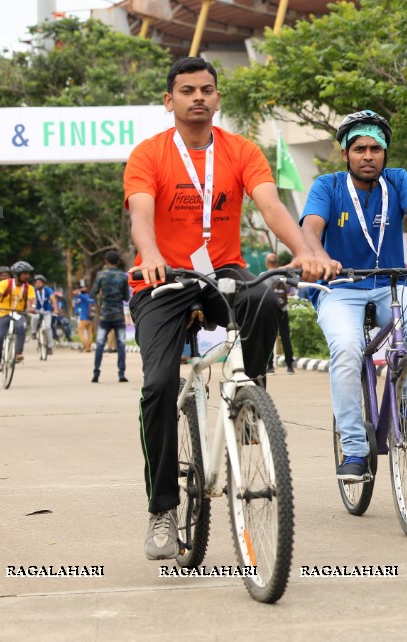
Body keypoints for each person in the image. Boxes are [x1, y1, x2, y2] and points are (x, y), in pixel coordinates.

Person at [124, 56, 333, 560]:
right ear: (169, 100)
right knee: (157, 386)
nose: (199, 97)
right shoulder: (148, 155)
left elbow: (272, 207)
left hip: (223, 272)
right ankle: (162, 509)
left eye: (208, 90)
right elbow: (141, 215)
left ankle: (249, 395)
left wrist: (305, 252)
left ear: (218, 98)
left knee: (264, 297)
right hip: (164, 279)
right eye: (187, 90)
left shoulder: (241, 151)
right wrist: (151, 256)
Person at [298, 109, 407, 481]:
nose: (368, 155)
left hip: (392, 286)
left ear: (385, 154)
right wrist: (319, 256)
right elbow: (311, 228)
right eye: (359, 148)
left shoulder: (398, 181)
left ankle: (405, 406)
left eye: (375, 148)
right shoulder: (327, 186)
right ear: (345, 154)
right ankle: (354, 449)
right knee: (346, 349)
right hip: (340, 288)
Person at [90, 250, 130, 383]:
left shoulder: (101, 276)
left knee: (100, 344)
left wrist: (101, 299)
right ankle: (121, 374)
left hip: (105, 315)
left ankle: (96, 373)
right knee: (121, 344)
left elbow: (93, 293)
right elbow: (126, 297)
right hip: (118, 315)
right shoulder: (123, 277)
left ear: (106, 261)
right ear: (118, 262)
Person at [0, 261, 36, 373]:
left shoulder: (28, 287)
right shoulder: (5, 283)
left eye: (28, 273)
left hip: (18, 313)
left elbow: (32, 299)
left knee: (22, 326)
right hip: (2, 313)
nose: (28, 276)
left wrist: (32, 307)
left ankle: (18, 353)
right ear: (18, 274)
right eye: (25, 273)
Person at [264, 252, 295, 374]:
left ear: (267, 263)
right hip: (283, 310)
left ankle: (270, 366)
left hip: (269, 310)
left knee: (269, 337)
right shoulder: (283, 276)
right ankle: (289, 366)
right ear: (277, 263)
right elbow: (290, 289)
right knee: (285, 337)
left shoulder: (263, 275)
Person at [30, 274, 59, 357]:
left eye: (40, 282)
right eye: (36, 282)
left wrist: (56, 309)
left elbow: (53, 299)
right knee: (35, 317)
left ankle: (49, 346)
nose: (38, 284)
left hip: (47, 311)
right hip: (37, 310)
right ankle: (33, 332)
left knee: (48, 327)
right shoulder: (33, 290)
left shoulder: (48, 290)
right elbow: (30, 300)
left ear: (43, 283)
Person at [73, 286, 95, 352]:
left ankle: (85, 346)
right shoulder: (91, 298)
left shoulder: (82, 297)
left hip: (83, 318)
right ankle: (89, 347)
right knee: (90, 333)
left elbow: (74, 293)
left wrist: (80, 289)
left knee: (80, 331)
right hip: (90, 318)